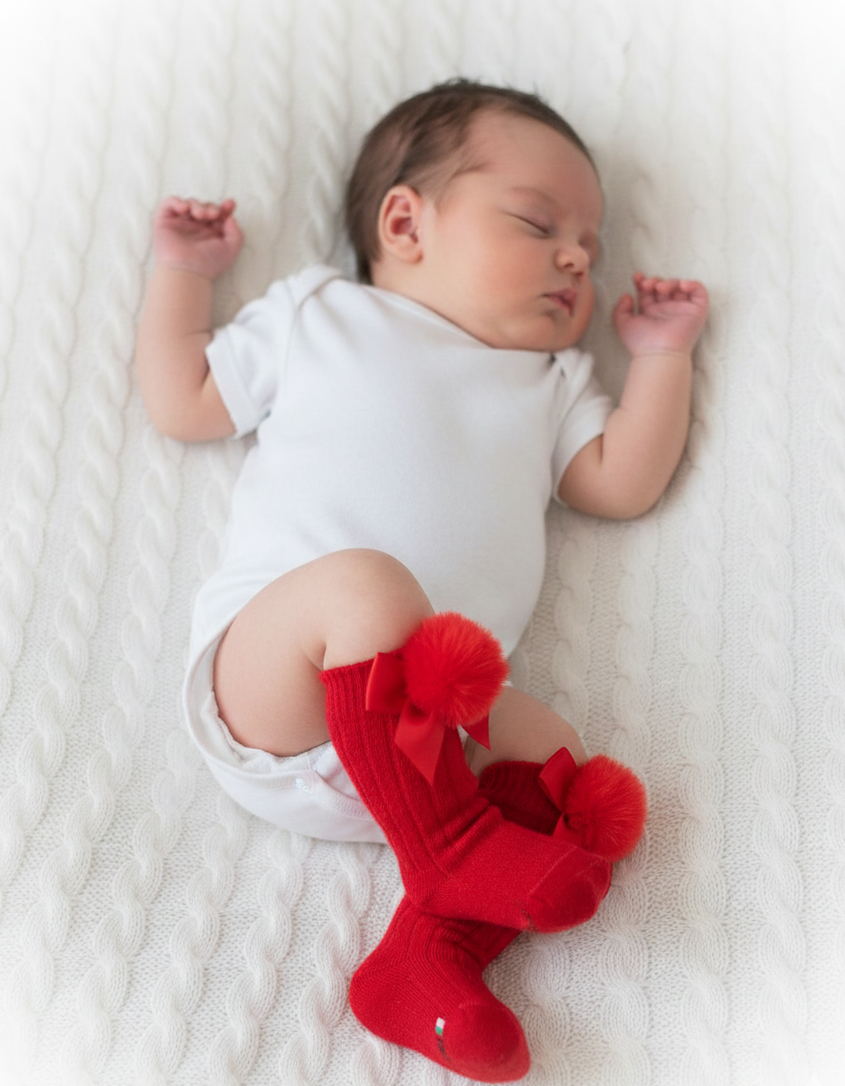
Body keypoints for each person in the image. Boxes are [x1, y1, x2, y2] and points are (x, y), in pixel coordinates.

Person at [135, 80, 708, 1082]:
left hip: (412, 759)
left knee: (563, 766)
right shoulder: (319, 312)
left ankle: (421, 962)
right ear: (403, 223)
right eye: (538, 223)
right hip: (272, 684)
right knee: (365, 585)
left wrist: (659, 359)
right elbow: (184, 400)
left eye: (589, 242)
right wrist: (183, 273)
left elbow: (618, 485)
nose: (576, 256)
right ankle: (449, 848)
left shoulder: (550, 383)